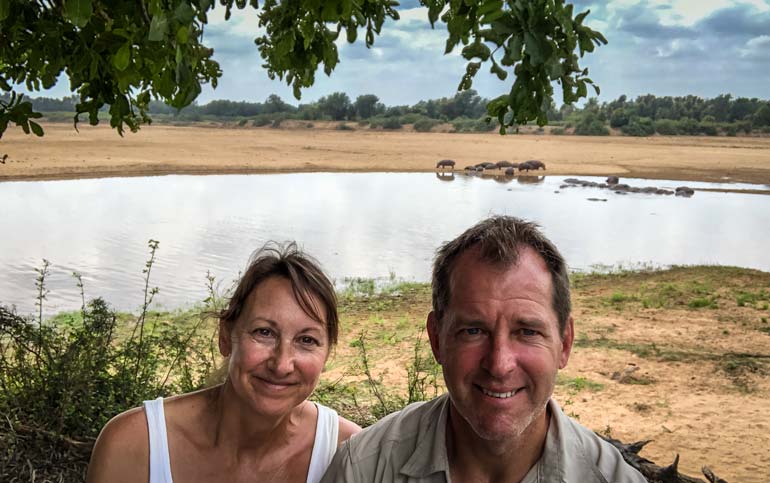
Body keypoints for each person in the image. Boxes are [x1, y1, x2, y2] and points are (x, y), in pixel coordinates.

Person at [321, 216, 646, 483]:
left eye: (527, 331)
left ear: (564, 343)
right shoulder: (362, 469)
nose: (499, 364)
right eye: (473, 331)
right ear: (437, 339)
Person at [87, 242, 360, 483]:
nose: (282, 364)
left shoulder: (349, 452)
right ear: (225, 336)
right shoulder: (135, 446)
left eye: (307, 340)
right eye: (264, 332)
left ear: (327, 354)